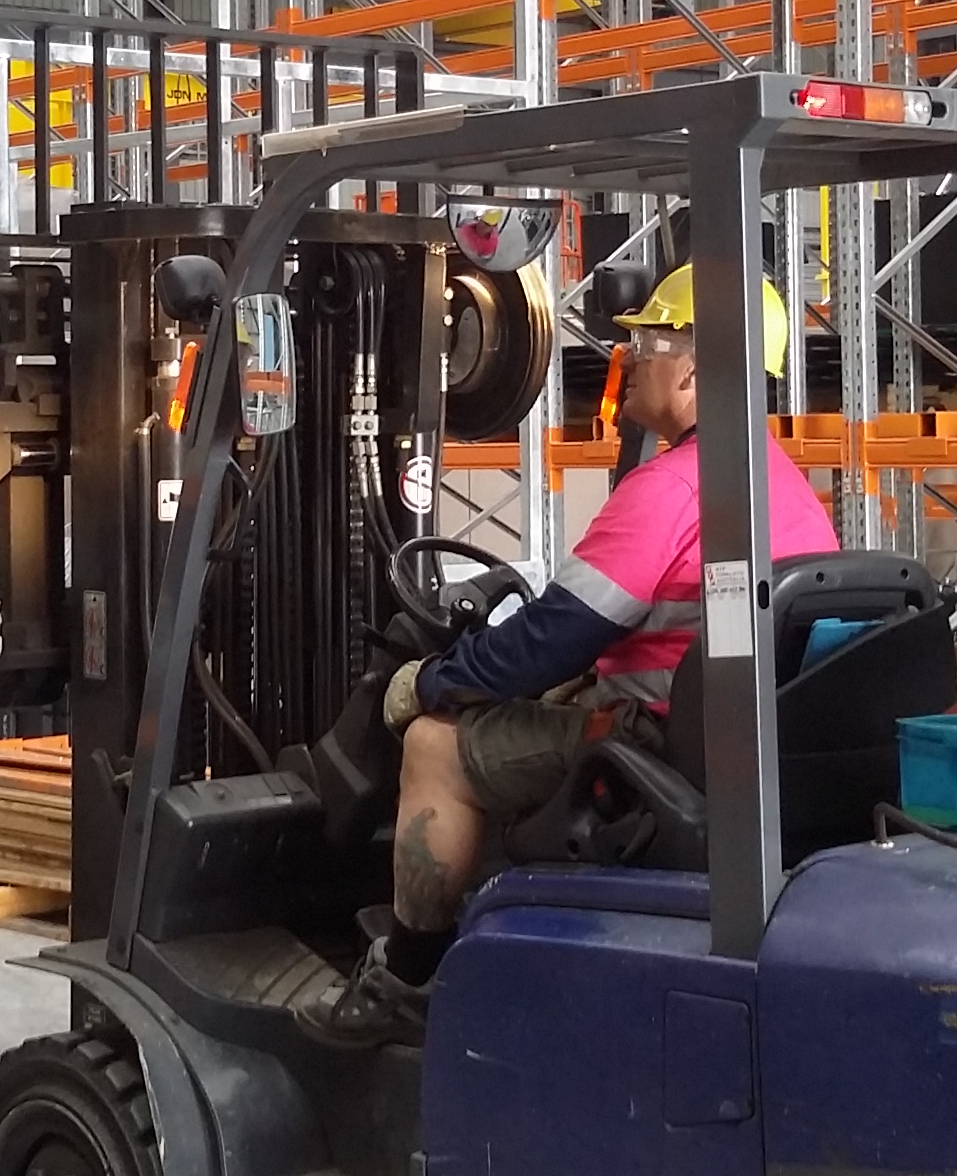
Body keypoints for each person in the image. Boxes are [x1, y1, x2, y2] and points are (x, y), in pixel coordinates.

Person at [305, 265, 840, 1045]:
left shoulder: (673, 489)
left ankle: (407, 978)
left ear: (692, 370)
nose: (628, 363)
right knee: (529, 712)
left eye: (649, 343)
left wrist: (434, 680)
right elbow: (633, 634)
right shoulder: (782, 483)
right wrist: (574, 680)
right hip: (724, 747)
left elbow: (555, 633)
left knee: (436, 747)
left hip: (653, 751)